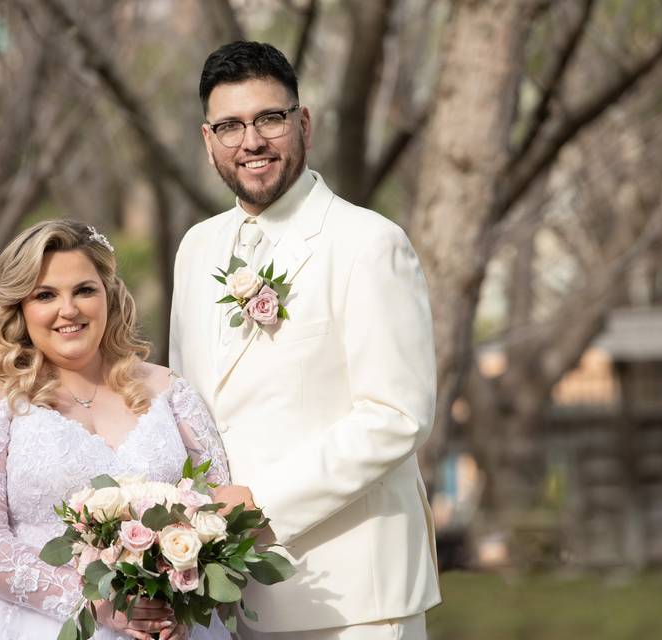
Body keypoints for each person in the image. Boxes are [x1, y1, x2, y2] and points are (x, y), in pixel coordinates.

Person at [169, 41, 441, 639]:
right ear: (208, 139)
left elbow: (397, 416)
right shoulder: (196, 250)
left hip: (354, 597)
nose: (252, 141)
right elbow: (186, 410)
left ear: (304, 123)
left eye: (270, 118)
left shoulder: (369, 243)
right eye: (230, 126)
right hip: (227, 595)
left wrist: (258, 502)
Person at [0, 220, 230, 640]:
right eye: (45, 295)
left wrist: (184, 595)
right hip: (26, 623)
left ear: (109, 296)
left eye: (84, 290)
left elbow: (219, 505)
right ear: (19, 308)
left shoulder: (168, 390)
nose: (69, 310)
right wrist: (94, 602)